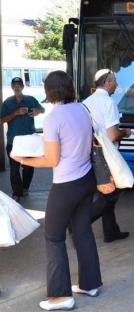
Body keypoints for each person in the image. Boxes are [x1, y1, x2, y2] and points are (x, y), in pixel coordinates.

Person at [11, 71, 101, 311]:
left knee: (53, 237)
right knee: (82, 231)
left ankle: (61, 296)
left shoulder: (54, 117)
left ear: (49, 91)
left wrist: (23, 159)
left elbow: (51, 159)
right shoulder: (82, 109)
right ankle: (90, 284)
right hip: (86, 180)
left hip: (66, 184)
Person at [83, 69, 131, 243]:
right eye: (114, 81)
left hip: (92, 152)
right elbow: (112, 135)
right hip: (107, 154)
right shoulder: (108, 102)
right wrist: (125, 132)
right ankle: (80, 223)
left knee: (106, 192)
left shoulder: (86, 102)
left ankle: (111, 231)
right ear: (106, 82)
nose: (116, 84)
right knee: (111, 194)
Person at [1, 77, 45, 202]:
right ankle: (17, 192)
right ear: (11, 87)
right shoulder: (7, 102)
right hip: (13, 141)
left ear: (22, 86)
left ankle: (25, 187)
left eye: (19, 85)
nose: (16, 87)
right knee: (14, 169)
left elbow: (43, 109)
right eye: (14, 85)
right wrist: (15, 113)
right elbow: (1, 120)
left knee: (29, 167)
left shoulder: (30, 99)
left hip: (29, 140)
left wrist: (37, 111)